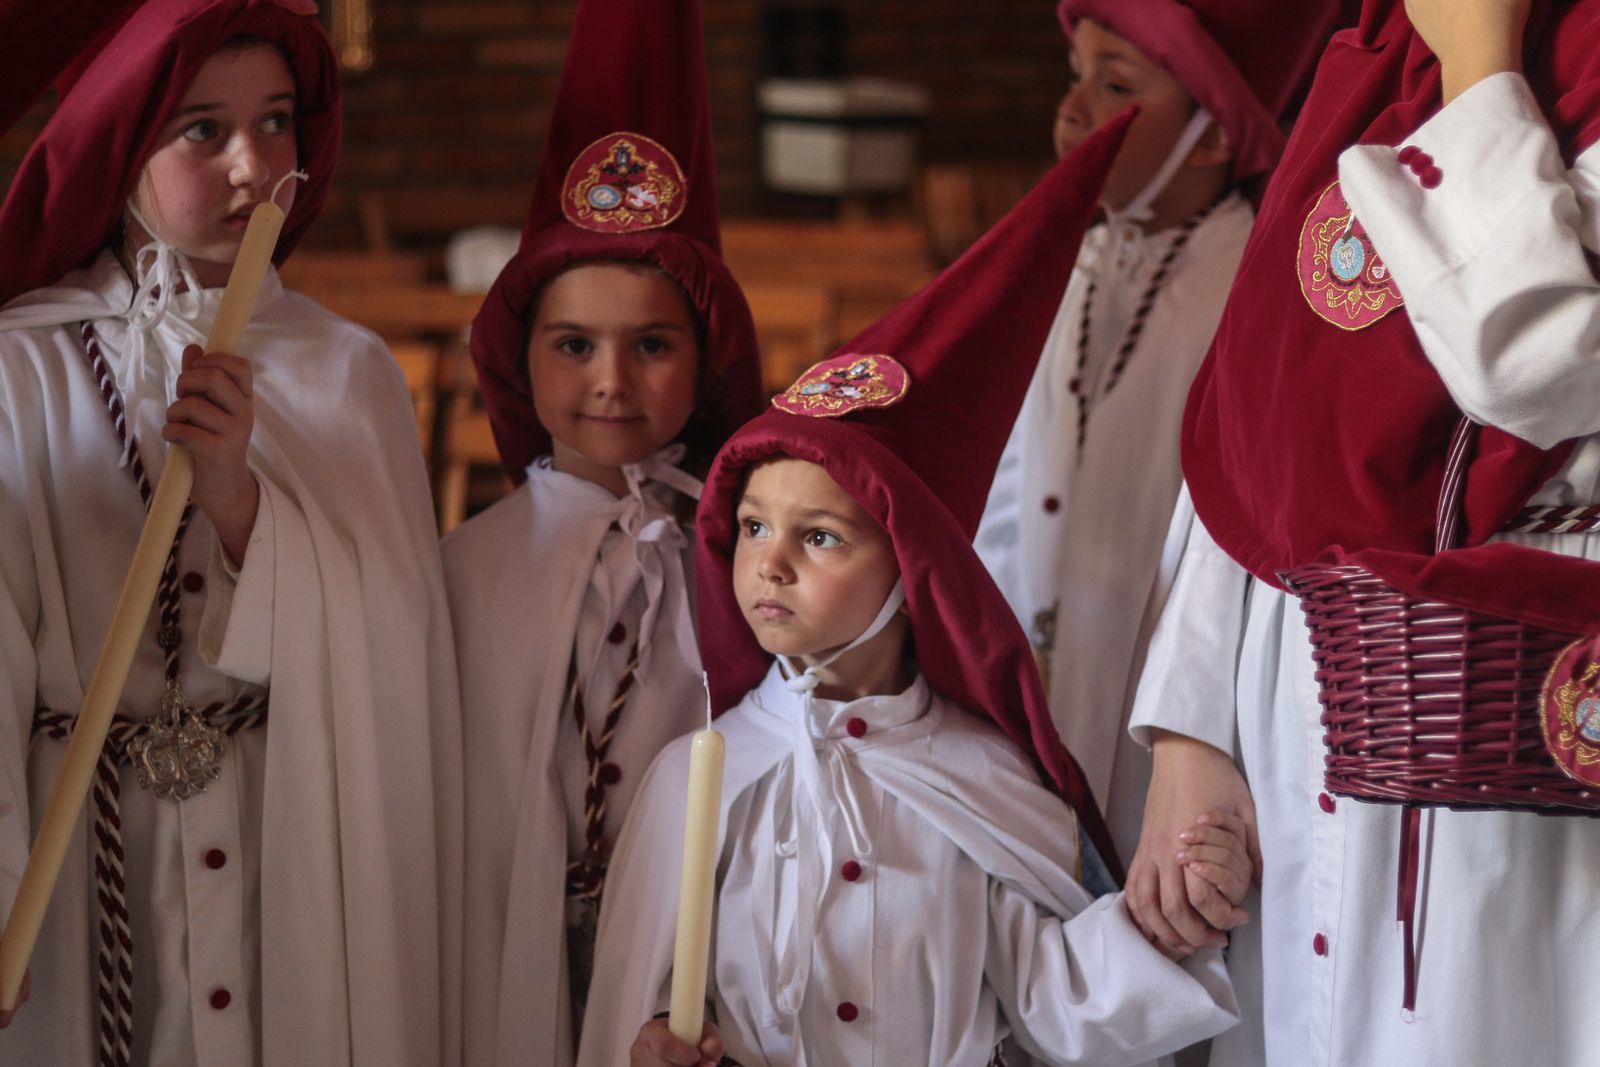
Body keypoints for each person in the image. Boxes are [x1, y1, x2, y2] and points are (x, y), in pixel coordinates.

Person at [576, 115, 1247, 1067]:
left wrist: (1167, 924)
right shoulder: (701, 776)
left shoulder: (986, 780)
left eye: (818, 536)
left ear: (911, 568)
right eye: (753, 527)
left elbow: (1054, 997)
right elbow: (637, 1014)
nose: (768, 562)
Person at [1124, 0, 1600, 1063]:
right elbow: (1254, 406)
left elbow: (1543, 360)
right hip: (1293, 676)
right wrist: (1191, 731)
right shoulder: (1377, 47)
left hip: (1517, 661)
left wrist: (1481, 63)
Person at [0, 1, 463, 1064]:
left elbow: (396, 650)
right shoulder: (23, 368)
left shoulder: (345, 370)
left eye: (277, 122)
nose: (253, 168)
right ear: (122, 145)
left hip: (285, 842)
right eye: (201, 130)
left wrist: (242, 506)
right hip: (75, 863)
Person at [441, 0, 763, 1063]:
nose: (611, 381)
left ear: (707, 357)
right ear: (516, 356)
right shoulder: (461, 572)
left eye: (652, 345)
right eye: (572, 344)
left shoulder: (740, 570)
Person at [974, 0, 1344, 867]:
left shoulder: (1254, 290)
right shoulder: (1069, 264)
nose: (1072, 111)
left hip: (1167, 720)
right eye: (1077, 78)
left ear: (1212, 135)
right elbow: (1009, 490)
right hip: (1039, 697)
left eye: (1115, 86)